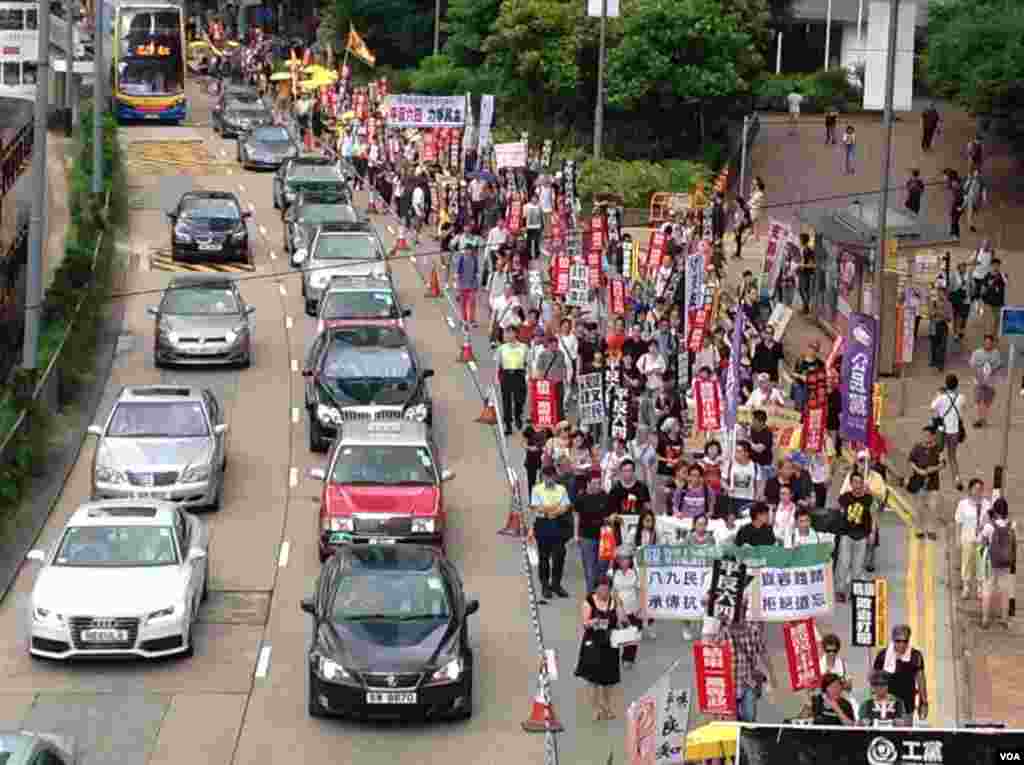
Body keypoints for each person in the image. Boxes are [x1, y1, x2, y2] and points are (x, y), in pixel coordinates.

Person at [575, 575, 623, 720]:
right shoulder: (588, 602)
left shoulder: (615, 601)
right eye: (601, 590)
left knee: (609, 680)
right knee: (593, 680)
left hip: (610, 644)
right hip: (593, 643)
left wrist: (620, 607)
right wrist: (593, 622)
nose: (604, 593)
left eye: (607, 590)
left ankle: (607, 706)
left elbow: (622, 621)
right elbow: (584, 623)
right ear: (596, 589)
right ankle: (595, 708)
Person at [530, 465, 573, 600]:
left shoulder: (561, 489)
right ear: (543, 477)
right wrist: (554, 508)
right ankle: (545, 585)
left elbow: (565, 506)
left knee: (560, 554)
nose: (549, 479)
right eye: (546, 477)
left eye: (551, 477)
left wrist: (552, 510)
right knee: (544, 556)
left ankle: (556, 584)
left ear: (555, 477)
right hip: (543, 524)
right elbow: (537, 507)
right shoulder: (536, 490)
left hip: (558, 524)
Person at [835, 472, 876, 603]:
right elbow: (839, 511)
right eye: (855, 482)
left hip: (862, 536)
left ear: (863, 483)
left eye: (860, 482)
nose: (857, 485)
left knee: (858, 567)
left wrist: (872, 533)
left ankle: (855, 591)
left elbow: (873, 516)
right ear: (851, 484)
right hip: (847, 535)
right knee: (843, 563)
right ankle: (840, 591)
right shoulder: (844, 498)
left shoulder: (869, 499)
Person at [873, 625, 928, 722]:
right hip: (885, 703)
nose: (902, 644)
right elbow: (874, 678)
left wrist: (923, 701)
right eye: (898, 641)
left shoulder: (916, 655)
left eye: (905, 641)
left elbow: (921, 679)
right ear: (893, 640)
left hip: (907, 703)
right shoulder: (883, 655)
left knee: (904, 733)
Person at [723, 618, 774, 722]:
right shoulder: (722, 631)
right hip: (728, 687)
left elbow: (763, 653)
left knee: (749, 720)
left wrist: (771, 676)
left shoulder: (753, 630)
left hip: (748, 683)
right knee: (732, 724)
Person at [980, 497, 1015, 629]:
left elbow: (982, 542)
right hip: (1005, 563)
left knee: (987, 589)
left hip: (991, 562)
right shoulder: (1011, 525)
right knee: (1005, 591)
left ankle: (985, 619)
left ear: (995, 510)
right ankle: (1005, 619)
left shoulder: (989, 526)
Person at [905, 426, 945, 541]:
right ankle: (919, 530)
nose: (925, 437)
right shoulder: (917, 447)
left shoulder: (938, 448)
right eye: (924, 435)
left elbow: (943, 464)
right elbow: (911, 461)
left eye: (927, 435)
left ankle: (931, 530)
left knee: (933, 507)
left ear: (933, 436)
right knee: (919, 508)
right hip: (919, 483)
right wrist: (919, 471)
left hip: (933, 484)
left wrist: (932, 469)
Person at [954, 478, 991, 600]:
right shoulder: (963, 504)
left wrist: (986, 523)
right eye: (976, 489)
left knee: (981, 563)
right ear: (970, 490)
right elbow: (958, 522)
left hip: (981, 538)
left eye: (980, 489)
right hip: (967, 537)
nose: (978, 491)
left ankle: (980, 588)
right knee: (967, 562)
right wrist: (958, 538)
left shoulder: (986, 504)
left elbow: (991, 521)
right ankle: (966, 587)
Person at [930, 373, 965, 492]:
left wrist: (939, 394)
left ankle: (933, 474)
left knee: (936, 451)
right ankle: (957, 479)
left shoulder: (941, 397)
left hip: (942, 429)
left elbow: (932, 407)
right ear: (957, 385)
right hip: (954, 431)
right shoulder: (961, 397)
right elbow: (960, 412)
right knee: (952, 456)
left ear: (946, 384)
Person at [611, 546, 645, 668]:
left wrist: (640, 607)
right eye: (621, 559)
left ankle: (628, 658)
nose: (624, 562)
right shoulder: (612, 573)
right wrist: (618, 607)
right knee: (617, 635)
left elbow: (641, 590)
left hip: (633, 608)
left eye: (626, 559)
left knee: (633, 635)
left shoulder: (635, 573)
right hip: (618, 609)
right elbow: (612, 592)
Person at [496, 326, 528, 434]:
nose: (508, 335)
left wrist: (528, 375)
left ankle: (518, 415)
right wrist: (496, 378)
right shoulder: (501, 348)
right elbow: (498, 364)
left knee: (520, 399)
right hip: (506, 375)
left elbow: (528, 362)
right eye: (507, 333)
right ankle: (508, 424)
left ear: (516, 334)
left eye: (510, 333)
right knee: (506, 401)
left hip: (519, 375)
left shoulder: (523, 347)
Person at [970, 334, 1003, 428]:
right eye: (986, 342)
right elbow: (973, 366)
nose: (988, 344)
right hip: (978, 381)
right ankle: (979, 419)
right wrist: (978, 378)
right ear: (983, 343)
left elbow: (998, 366)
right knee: (978, 401)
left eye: (989, 343)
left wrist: (993, 371)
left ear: (992, 343)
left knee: (987, 402)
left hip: (991, 382)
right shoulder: (977, 352)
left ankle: (983, 419)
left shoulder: (996, 353)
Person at [724, 441, 758, 518]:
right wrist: (728, 488)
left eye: (739, 451)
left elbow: (759, 485)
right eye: (736, 451)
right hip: (732, 500)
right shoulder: (731, 464)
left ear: (747, 453)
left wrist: (756, 501)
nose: (736, 453)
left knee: (745, 523)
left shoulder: (755, 466)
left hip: (748, 500)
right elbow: (722, 480)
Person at [454, 237, 481, 328]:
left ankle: (472, 320)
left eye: (469, 250)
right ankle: (464, 320)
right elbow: (457, 273)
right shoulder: (461, 259)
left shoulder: (474, 258)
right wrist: (457, 287)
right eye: (466, 250)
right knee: (463, 304)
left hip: (472, 285)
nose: (468, 251)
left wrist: (477, 285)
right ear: (464, 250)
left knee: (472, 303)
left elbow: (476, 272)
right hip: (462, 285)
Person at [981, 258, 1008, 338]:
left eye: (997, 265)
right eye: (994, 265)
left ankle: (994, 335)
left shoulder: (1003, 275)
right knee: (989, 319)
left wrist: (1002, 276)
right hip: (988, 302)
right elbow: (983, 290)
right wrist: (988, 285)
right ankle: (987, 336)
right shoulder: (987, 276)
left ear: (999, 266)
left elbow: (1007, 284)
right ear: (991, 266)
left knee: (997, 320)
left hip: (999, 303)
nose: (996, 267)